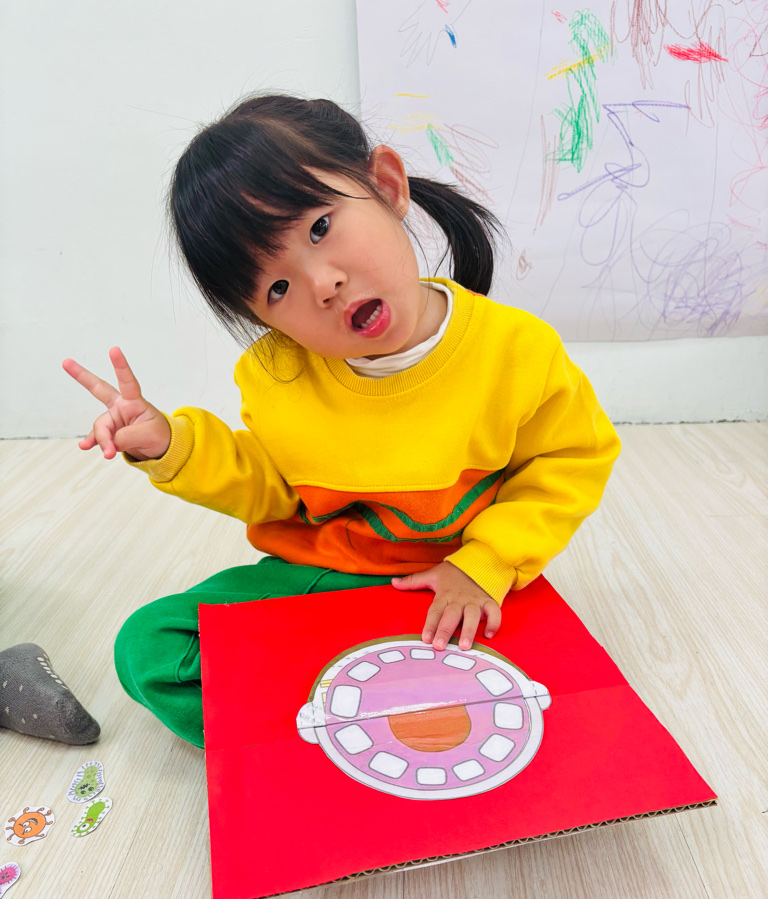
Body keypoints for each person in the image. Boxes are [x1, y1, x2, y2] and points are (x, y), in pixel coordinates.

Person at [63, 94, 621, 749]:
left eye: (320, 228)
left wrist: (487, 563)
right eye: (277, 289)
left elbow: (571, 461)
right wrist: (169, 445)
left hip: (462, 585)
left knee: (561, 702)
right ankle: (316, 742)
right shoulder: (276, 374)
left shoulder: (518, 350)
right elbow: (273, 490)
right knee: (149, 646)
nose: (322, 284)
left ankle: (354, 709)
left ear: (386, 185)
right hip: (326, 580)